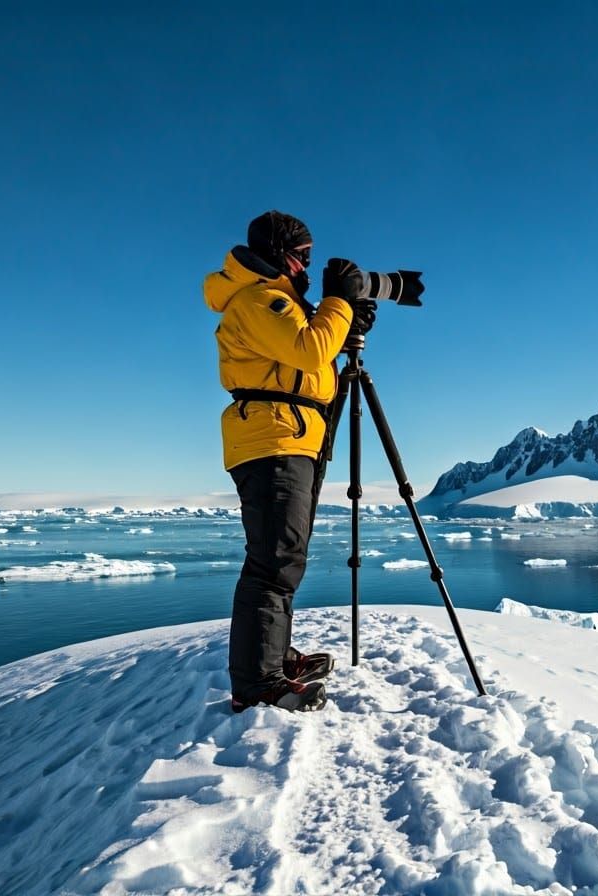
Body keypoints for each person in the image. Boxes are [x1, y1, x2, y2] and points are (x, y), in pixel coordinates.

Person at [203, 211, 377, 712]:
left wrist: (340, 321)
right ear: (281, 254)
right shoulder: (261, 299)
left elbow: (307, 357)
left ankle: (274, 657)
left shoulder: (279, 302)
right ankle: (258, 682)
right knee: (273, 561)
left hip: (288, 434)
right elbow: (308, 349)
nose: (308, 264)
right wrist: (338, 304)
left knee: (283, 557)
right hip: (273, 439)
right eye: (303, 255)